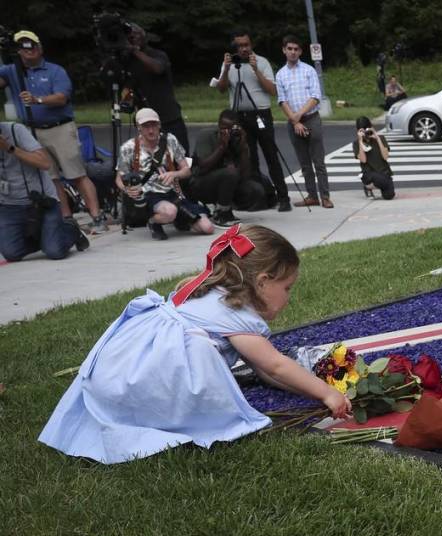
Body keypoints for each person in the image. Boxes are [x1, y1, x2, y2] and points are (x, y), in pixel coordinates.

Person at [38, 225, 353, 464]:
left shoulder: (207, 289)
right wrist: (326, 392)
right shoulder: (234, 313)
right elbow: (274, 365)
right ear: (262, 281)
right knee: (198, 372)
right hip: (154, 379)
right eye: (287, 288)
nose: (289, 297)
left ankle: (121, 406)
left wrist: (304, 386)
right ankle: (160, 416)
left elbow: (267, 369)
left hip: (121, 369)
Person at [0, 30, 107, 232]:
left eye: (31, 45)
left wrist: (37, 99)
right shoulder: (12, 71)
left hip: (59, 128)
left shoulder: (55, 70)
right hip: (31, 131)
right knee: (51, 178)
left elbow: (61, 97)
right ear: (18, 51)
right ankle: (65, 218)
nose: (28, 50)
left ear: (40, 48)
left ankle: (96, 216)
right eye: (23, 46)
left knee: (76, 174)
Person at [217, 31, 291, 213]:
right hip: (239, 116)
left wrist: (255, 69)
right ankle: (260, 196)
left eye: (246, 45)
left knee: (271, 155)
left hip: (260, 114)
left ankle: (283, 197)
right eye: (240, 46)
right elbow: (221, 88)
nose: (243, 49)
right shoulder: (231, 64)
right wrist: (226, 69)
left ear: (251, 45)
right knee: (249, 159)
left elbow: (273, 91)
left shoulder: (262, 62)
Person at [115, 108, 212, 240]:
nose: (151, 130)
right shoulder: (128, 148)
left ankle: (180, 219)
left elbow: (187, 170)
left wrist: (174, 174)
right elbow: (119, 179)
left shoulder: (170, 140)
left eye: (154, 125)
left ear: (159, 124)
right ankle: (153, 222)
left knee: (207, 228)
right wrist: (127, 189)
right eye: (146, 126)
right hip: (148, 195)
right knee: (169, 212)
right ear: (139, 128)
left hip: (173, 193)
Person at [0, 121, 89, 262]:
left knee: (55, 252)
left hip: (41, 201)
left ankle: (71, 229)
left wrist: (10, 148)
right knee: (11, 253)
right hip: (8, 205)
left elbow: (45, 163)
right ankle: (46, 237)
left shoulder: (15, 130)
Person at [276, 36, 333, 209]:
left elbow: (315, 96)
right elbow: (282, 100)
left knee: (319, 161)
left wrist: (298, 116)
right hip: (293, 123)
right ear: (284, 50)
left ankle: (325, 196)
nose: (293, 52)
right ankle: (312, 195)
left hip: (311, 119)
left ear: (300, 51)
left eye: (296, 49)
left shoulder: (309, 70)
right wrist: (294, 122)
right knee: (304, 163)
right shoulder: (280, 74)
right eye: (290, 48)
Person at [190, 110, 267, 226]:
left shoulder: (238, 139)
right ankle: (221, 214)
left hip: (227, 184)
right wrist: (222, 147)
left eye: (232, 128)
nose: (227, 132)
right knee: (230, 173)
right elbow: (202, 167)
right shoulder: (206, 136)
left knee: (256, 190)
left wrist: (243, 148)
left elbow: (246, 175)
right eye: (224, 128)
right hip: (201, 184)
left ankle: (226, 207)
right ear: (218, 125)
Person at [125, 23, 189, 153]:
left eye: (135, 35)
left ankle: (187, 173)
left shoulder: (157, 54)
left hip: (169, 116)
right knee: (151, 158)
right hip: (146, 119)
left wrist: (134, 51)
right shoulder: (128, 61)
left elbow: (158, 68)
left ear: (144, 37)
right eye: (129, 36)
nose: (133, 38)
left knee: (182, 155)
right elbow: (126, 86)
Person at [353, 117, 395, 200]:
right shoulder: (356, 143)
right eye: (363, 131)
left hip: (384, 173)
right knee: (376, 178)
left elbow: (385, 156)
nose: (366, 133)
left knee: (389, 196)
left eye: (367, 129)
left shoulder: (381, 138)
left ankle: (374, 186)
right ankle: (368, 187)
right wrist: (361, 141)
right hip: (369, 174)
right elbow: (363, 160)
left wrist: (377, 138)